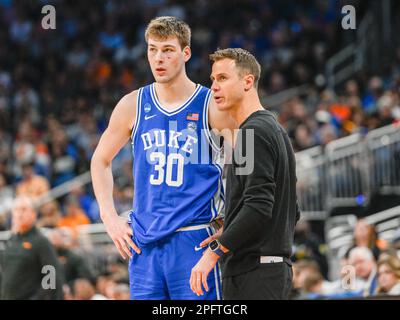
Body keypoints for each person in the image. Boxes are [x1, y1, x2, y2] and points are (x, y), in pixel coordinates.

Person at [91, 16, 234, 300]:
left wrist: (231, 221)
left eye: (168, 50)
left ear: (186, 53)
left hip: (194, 238)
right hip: (144, 244)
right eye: (152, 49)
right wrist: (109, 217)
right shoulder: (132, 104)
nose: (159, 58)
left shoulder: (212, 105)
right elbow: (100, 161)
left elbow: (249, 162)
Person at [190, 48, 299, 300]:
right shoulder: (275, 130)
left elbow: (259, 206)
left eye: (223, 78)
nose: (214, 87)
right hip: (270, 271)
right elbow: (292, 209)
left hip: (254, 274)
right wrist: (231, 227)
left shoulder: (252, 133)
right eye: (213, 80)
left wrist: (215, 251)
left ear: (248, 81)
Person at [0, 196, 63, 299]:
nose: (19, 214)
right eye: (16, 210)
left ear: (34, 214)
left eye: (24, 209)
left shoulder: (41, 241)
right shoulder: (11, 240)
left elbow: (52, 277)